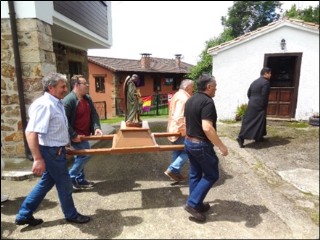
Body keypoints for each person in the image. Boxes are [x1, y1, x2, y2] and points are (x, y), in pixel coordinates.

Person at [15, 72, 90, 226]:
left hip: (56, 151)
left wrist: (64, 145)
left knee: (45, 184)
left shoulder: (56, 102)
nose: (65, 89)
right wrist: (38, 159)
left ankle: (24, 214)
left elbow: (55, 130)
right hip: (51, 153)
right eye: (62, 86)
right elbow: (31, 132)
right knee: (65, 185)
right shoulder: (45, 105)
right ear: (51, 88)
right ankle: (71, 215)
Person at [183, 73, 228, 222]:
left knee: (195, 174)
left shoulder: (191, 100)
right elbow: (207, 128)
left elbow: (186, 122)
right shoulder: (207, 102)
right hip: (200, 144)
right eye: (215, 87)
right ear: (208, 87)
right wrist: (221, 146)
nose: (216, 90)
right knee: (211, 174)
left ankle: (196, 203)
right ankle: (192, 203)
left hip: (189, 142)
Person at [63, 74, 103, 190]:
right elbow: (64, 121)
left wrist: (96, 127)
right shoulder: (69, 101)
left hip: (84, 134)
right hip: (75, 135)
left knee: (80, 157)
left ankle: (80, 180)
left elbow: (94, 114)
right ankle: (70, 178)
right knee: (86, 153)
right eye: (85, 83)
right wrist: (73, 135)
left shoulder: (87, 98)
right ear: (77, 85)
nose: (87, 85)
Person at [164, 79, 194, 182]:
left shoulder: (177, 95)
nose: (193, 90)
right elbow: (180, 117)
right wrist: (184, 132)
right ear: (187, 87)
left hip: (173, 129)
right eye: (192, 87)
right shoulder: (184, 98)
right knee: (189, 150)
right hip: (179, 130)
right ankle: (173, 169)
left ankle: (174, 174)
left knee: (177, 152)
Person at [236, 67, 272, 148]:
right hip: (260, 105)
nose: (271, 75)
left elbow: (248, 93)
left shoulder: (254, 82)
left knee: (249, 121)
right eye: (270, 73)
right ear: (265, 73)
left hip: (252, 103)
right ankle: (241, 137)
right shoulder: (266, 82)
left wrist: (253, 101)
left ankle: (258, 137)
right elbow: (264, 96)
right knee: (256, 122)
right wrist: (263, 105)